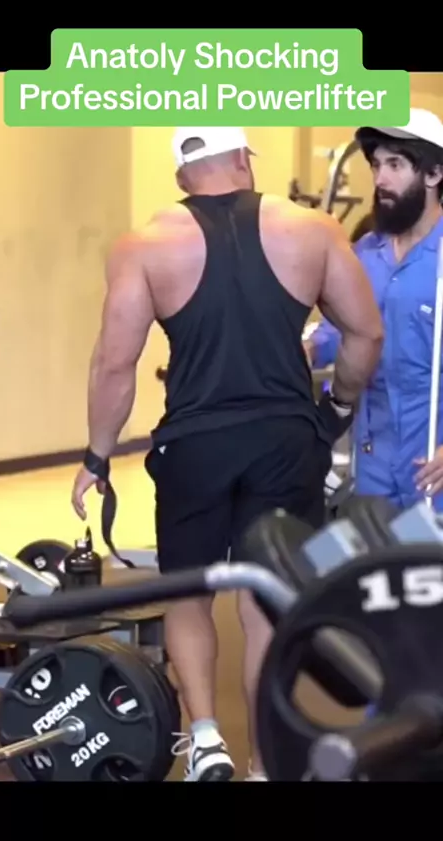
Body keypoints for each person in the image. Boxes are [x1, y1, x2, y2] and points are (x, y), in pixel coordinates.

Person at [70, 127, 383, 782]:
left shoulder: (143, 246)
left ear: (181, 176)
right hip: (285, 440)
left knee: (188, 593)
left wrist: (97, 457)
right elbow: (365, 333)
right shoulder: (313, 230)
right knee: (265, 597)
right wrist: (339, 408)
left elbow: (114, 365)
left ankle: (206, 738)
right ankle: (265, 762)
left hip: (194, 444)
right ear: (243, 159)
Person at [306, 108, 443, 512]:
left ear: (434, 174)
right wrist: (298, 351)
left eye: (395, 165)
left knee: (426, 554)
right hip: (374, 462)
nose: (380, 179)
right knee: (371, 550)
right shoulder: (364, 254)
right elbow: (336, 333)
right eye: (377, 165)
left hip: (432, 465)